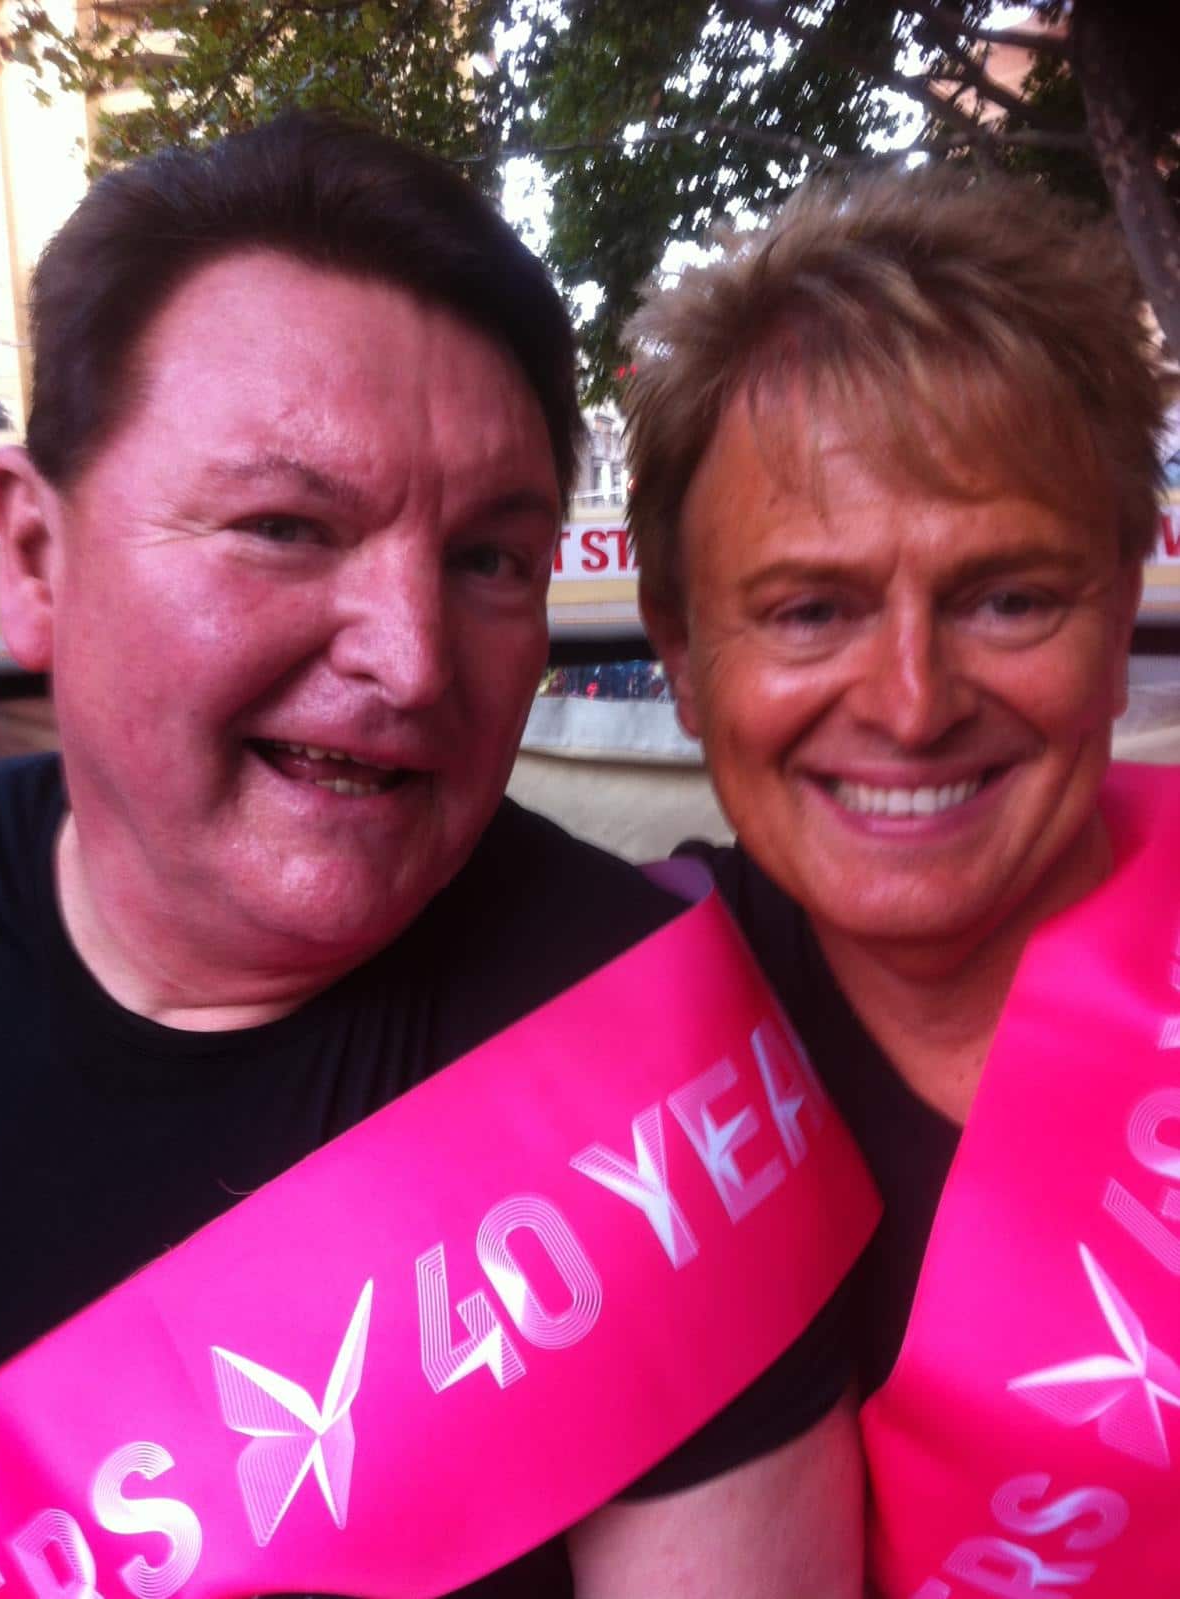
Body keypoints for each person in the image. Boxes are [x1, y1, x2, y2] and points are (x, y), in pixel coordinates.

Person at [0, 113, 872, 1598]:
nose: (409, 662)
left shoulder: (654, 1071)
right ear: (33, 560)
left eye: (487, 562)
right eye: (283, 525)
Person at [626, 168, 1178, 1595]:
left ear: (1120, 615)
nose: (914, 702)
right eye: (809, 611)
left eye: (1008, 598)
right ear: (680, 656)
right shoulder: (600, 1051)